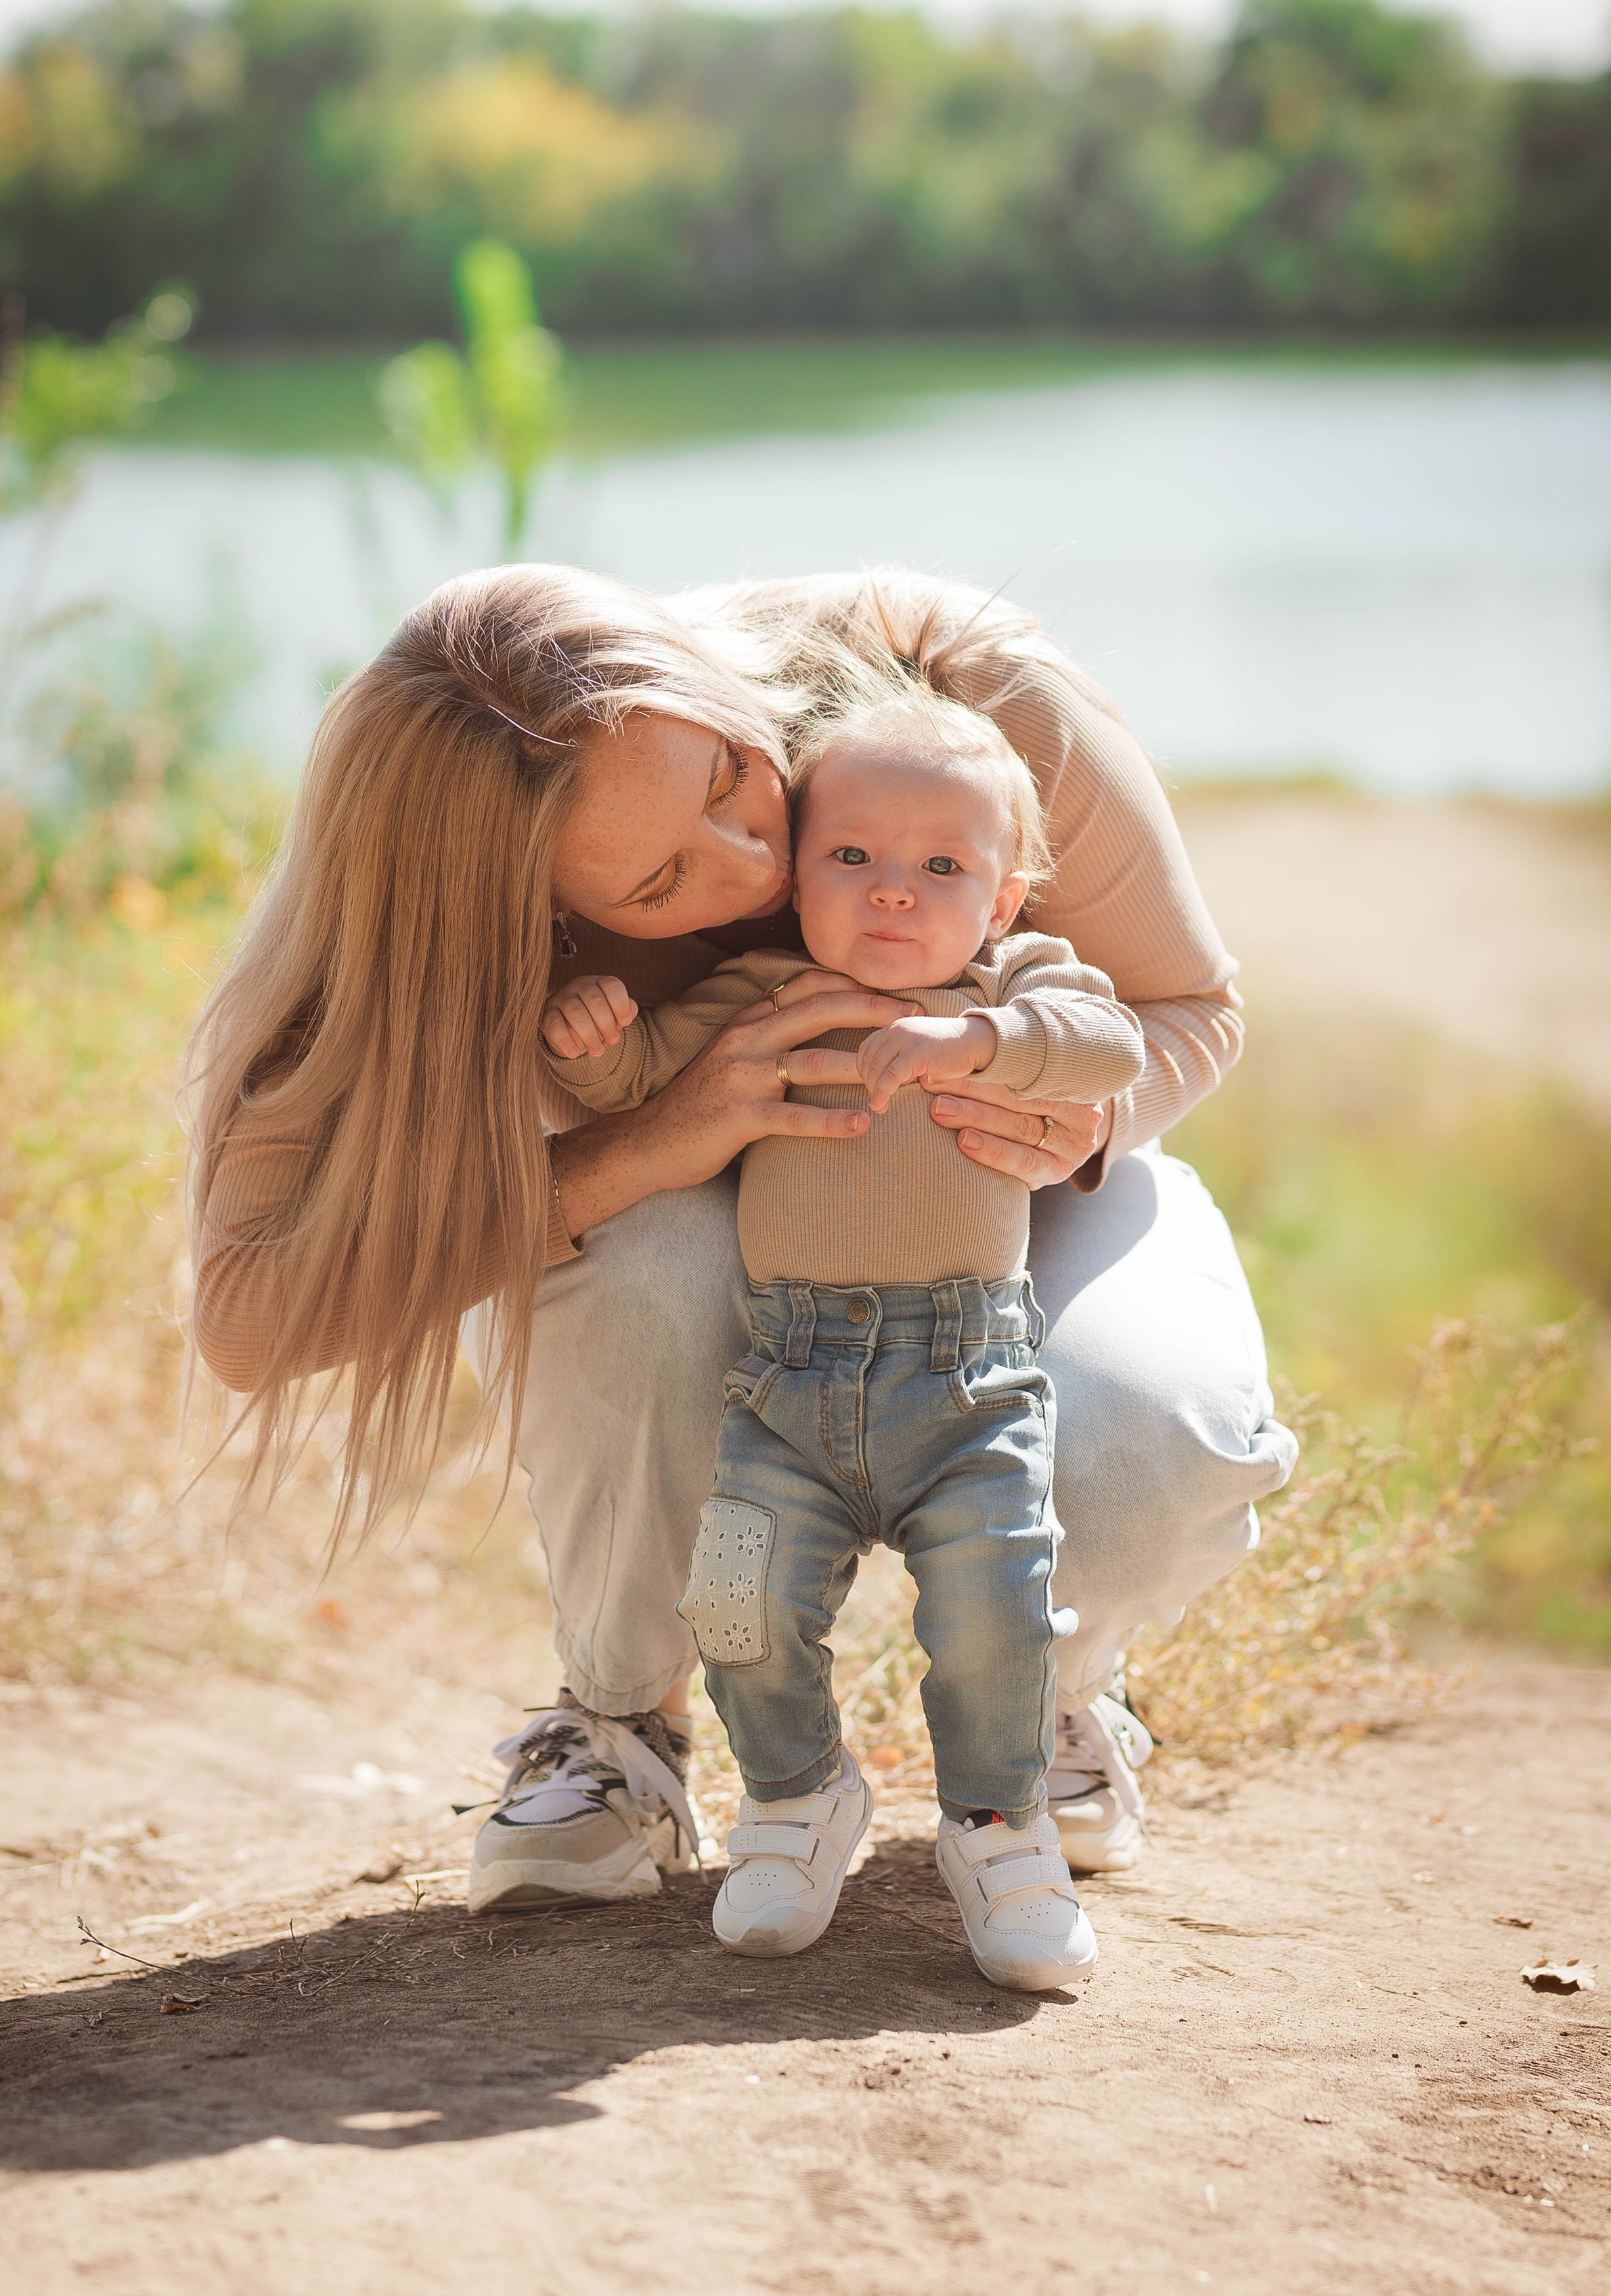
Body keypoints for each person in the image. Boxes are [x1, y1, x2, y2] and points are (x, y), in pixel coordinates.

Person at [188, 565, 1296, 1917]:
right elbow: (248, 1323)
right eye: (661, 880)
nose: (755, 866)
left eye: (730, 775)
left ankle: (1050, 1695)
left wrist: (1072, 1122)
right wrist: (640, 1147)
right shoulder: (423, 922)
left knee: (1147, 1425)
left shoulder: (962, 701)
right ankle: (623, 1719)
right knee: (643, 1272)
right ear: (526, 907)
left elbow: (1189, 1006)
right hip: (705, 1230)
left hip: (1010, 1201)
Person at [539, 678, 1145, 1989]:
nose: (892, 894)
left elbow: (1108, 1046)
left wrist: (983, 1037)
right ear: (799, 877)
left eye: (942, 868)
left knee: (995, 1617)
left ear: (1001, 899)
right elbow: (640, 1081)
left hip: (969, 1378)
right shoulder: (762, 993)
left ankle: (1000, 1827)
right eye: (852, 858)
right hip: (786, 1379)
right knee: (737, 1603)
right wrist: (591, 1048)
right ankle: (796, 1794)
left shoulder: (1014, 985)